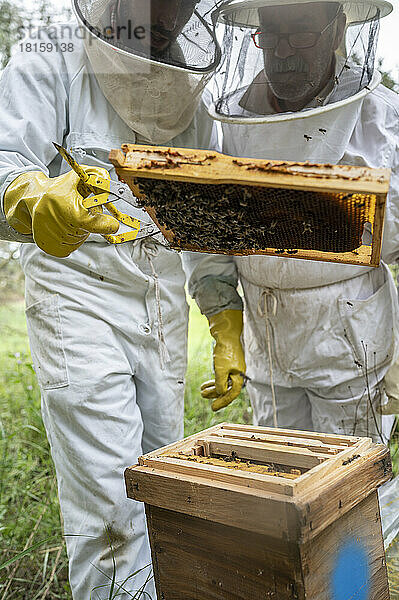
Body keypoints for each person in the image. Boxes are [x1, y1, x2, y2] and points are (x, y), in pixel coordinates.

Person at [0, 1, 221, 598]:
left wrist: (223, 317)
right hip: (78, 297)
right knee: (109, 505)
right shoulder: (54, 52)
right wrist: (35, 196)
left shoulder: (189, 89)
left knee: (164, 484)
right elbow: (3, 158)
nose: (167, 11)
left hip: (163, 303)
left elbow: (203, 219)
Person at [184, 0, 399, 443]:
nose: (282, 52)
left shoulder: (382, 117)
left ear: (337, 31)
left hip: (351, 339)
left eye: (300, 33)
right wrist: (224, 321)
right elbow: (214, 227)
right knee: (286, 481)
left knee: (354, 488)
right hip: (268, 340)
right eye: (271, 36)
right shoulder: (234, 122)